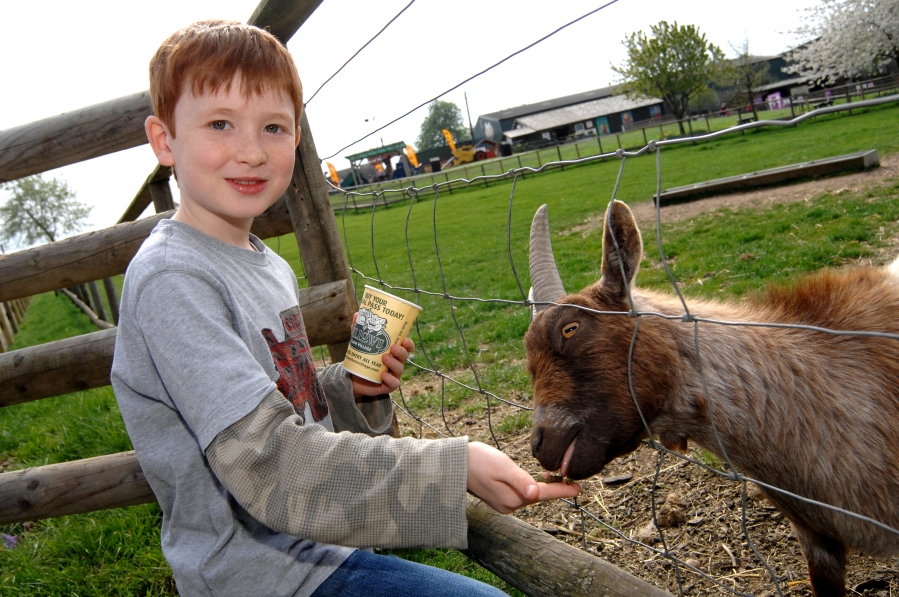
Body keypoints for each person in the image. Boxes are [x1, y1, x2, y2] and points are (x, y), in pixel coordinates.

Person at [110, 20, 580, 597]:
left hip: (315, 552)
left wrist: (343, 389)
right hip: (257, 577)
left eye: (274, 126)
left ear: (298, 137)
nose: (252, 150)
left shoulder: (265, 264)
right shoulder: (172, 280)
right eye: (219, 123)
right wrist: (452, 468)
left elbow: (273, 396)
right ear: (164, 141)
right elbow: (269, 464)